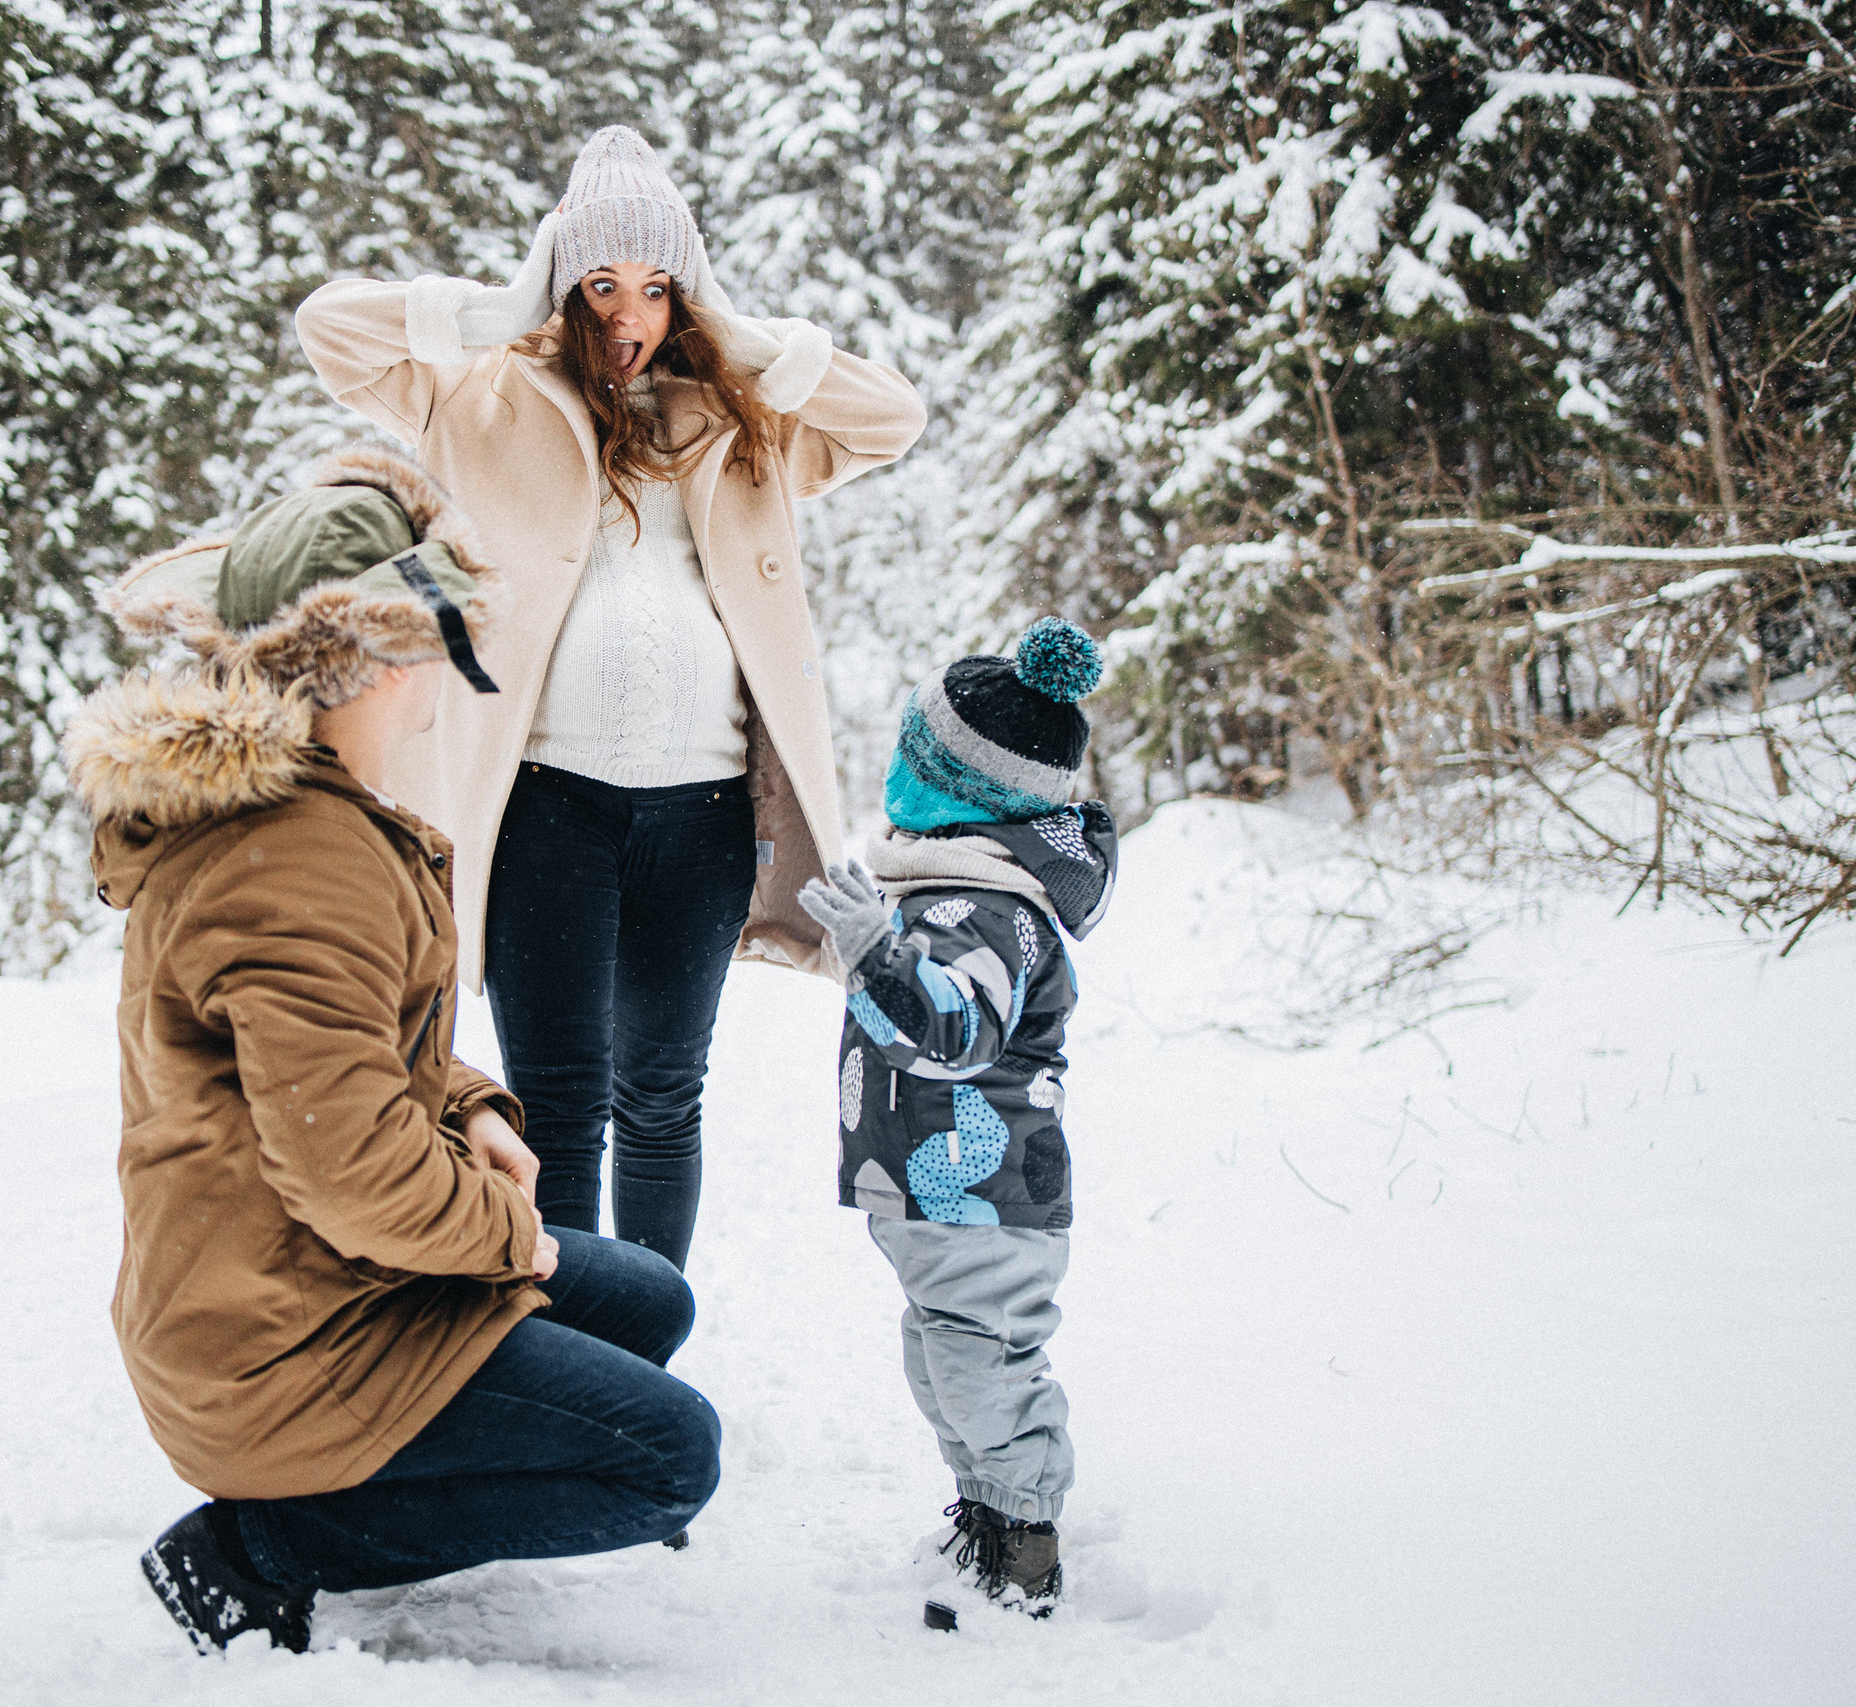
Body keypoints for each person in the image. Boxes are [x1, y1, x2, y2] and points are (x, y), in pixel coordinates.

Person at [64, 444, 719, 1656]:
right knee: (668, 1458)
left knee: (647, 1302)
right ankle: (267, 1545)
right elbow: (350, 1172)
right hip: (282, 1343)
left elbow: (359, 1061)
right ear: (367, 657)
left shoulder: (309, 820)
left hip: (300, 1278)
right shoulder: (297, 860)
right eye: (430, 629)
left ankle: (380, 1467)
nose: (445, 665)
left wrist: (473, 1111)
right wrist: (509, 1234)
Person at [294, 125, 926, 1271]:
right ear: (563, 285)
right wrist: (494, 310)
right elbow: (327, 329)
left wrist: (739, 332)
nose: (627, 313)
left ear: (687, 293)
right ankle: (563, 1346)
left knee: (663, 1097)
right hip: (545, 811)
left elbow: (892, 418)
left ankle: (645, 1350)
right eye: (600, 283)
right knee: (555, 1104)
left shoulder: (747, 422)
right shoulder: (482, 400)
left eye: (654, 285)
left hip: (702, 811)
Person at [793, 617, 1119, 1623]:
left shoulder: (994, 913)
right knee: (945, 1361)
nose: (896, 770)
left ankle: (1025, 1540)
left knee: (983, 1364)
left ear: (962, 788)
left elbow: (954, 1034)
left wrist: (870, 951)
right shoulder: (952, 892)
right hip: (939, 1196)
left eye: (913, 755)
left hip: (985, 1196)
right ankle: (985, 1510)